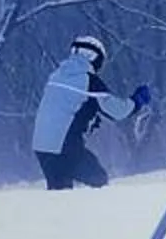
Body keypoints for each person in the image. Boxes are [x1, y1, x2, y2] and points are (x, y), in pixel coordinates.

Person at [33, 34, 151, 189]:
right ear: (94, 57)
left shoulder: (56, 76)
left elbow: (63, 109)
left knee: (60, 192)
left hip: (42, 147)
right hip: (64, 147)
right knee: (99, 180)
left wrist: (86, 119)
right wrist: (138, 100)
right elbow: (119, 112)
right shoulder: (89, 81)